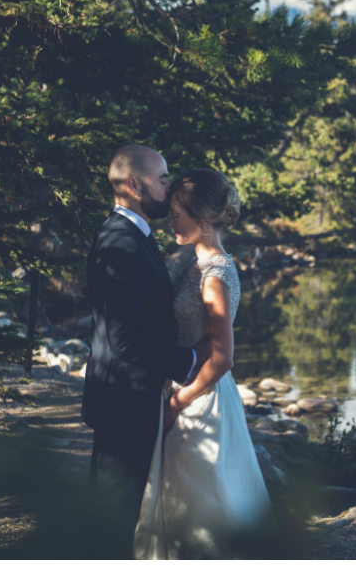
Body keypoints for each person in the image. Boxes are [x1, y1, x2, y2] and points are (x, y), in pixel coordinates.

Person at [134, 168, 273, 560]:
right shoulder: (202, 264)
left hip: (201, 398)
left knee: (200, 502)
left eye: (178, 213)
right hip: (192, 387)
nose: (170, 222)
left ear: (204, 216)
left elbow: (224, 356)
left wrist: (177, 403)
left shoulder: (214, 274)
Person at [81, 145, 203, 558]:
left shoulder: (134, 234)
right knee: (115, 522)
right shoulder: (122, 242)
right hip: (124, 403)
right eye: (162, 178)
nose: (169, 187)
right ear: (134, 185)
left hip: (126, 398)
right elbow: (125, 339)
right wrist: (188, 362)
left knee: (115, 518)